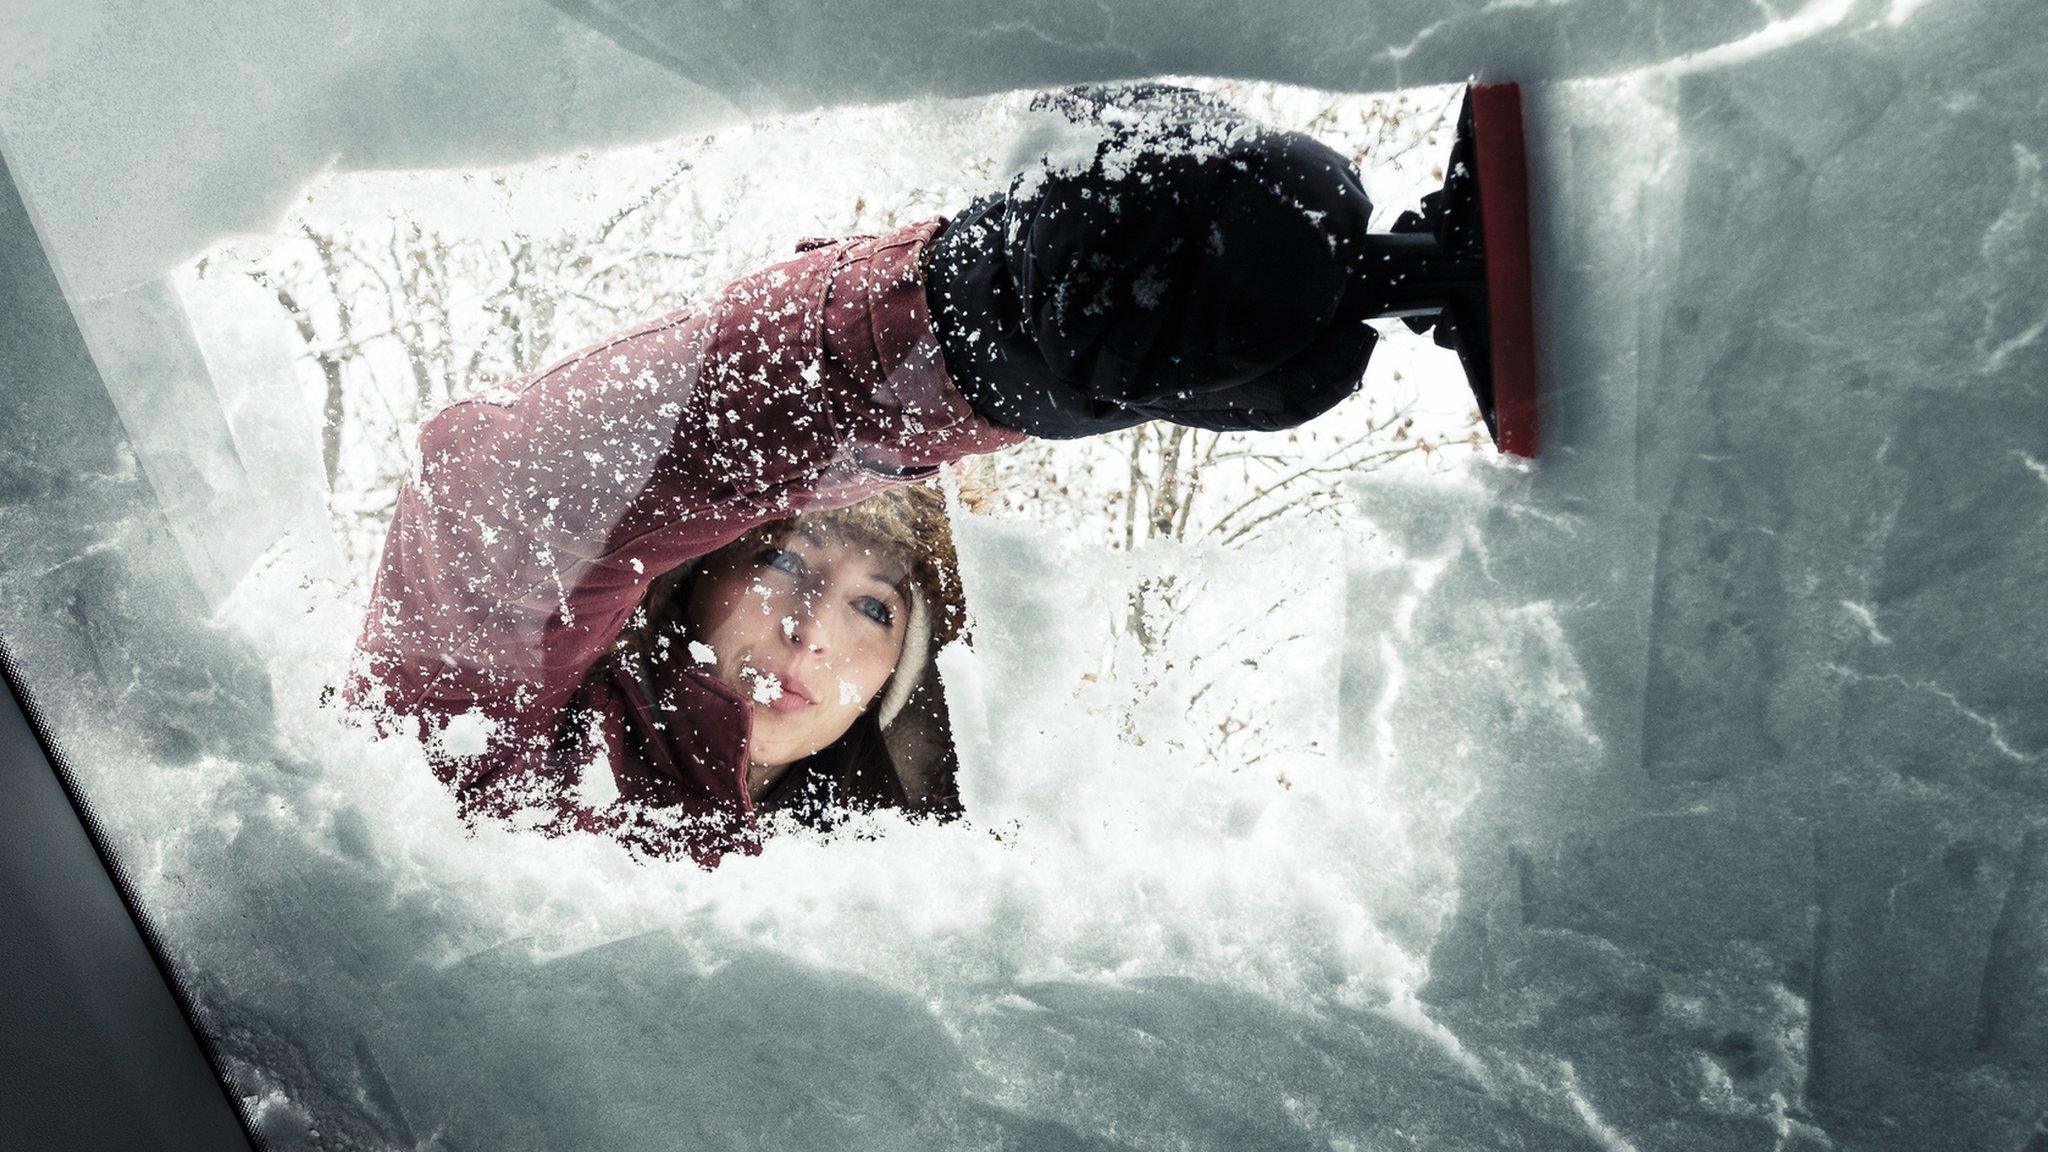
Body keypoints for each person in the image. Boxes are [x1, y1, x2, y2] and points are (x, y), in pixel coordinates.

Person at [346, 83, 1384, 866]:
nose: (811, 633)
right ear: (691, 575)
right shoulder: (506, 765)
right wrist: (964, 329)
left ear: (904, 676)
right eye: (789, 563)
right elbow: (504, 500)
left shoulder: (896, 898)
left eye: (876, 610)